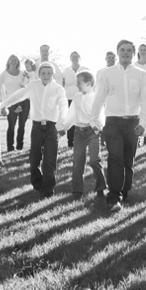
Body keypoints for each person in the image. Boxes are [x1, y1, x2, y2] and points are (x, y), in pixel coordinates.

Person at [92, 40, 146, 212]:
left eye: (128, 50)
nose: (125, 53)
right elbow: (99, 99)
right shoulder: (106, 73)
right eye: (122, 50)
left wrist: (143, 123)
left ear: (133, 53)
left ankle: (124, 191)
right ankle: (114, 197)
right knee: (115, 158)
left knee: (128, 161)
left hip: (133, 122)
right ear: (117, 52)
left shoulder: (142, 75)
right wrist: (95, 121)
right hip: (112, 122)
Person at [2, 63, 68, 199]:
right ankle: (37, 184)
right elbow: (19, 95)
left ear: (53, 75)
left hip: (52, 127)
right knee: (34, 159)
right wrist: (3, 105)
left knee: (49, 160)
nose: (46, 76)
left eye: (49, 73)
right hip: (37, 127)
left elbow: (63, 107)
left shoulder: (58, 89)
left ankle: (48, 189)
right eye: (43, 73)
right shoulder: (33, 85)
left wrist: (61, 125)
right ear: (39, 74)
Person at [57, 70, 106, 201]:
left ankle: (101, 188)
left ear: (88, 83)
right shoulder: (77, 97)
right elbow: (72, 114)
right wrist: (63, 129)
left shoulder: (96, 97)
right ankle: (77, 191)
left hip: (92, 132)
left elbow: (100, 115)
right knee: (78, 163)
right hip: (79, 133)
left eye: (79, 82)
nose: (77, 85)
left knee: (95, 161)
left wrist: (98, 127)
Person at [0, 54, 31, 152]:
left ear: (18, 62)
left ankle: (19, 147)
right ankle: (10, 147)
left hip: (23, 101)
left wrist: (20, 104)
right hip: (11, 102)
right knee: (11, 125)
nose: (13, 61)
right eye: (11, 60)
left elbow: (25, 87)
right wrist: (4, 100)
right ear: (8, 61)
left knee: (22, 125)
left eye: (15, 60)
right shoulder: (4, 74)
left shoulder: (23, 73)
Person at [61, 51, 88, 148]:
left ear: (80, 58)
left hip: (82, 99)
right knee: (70, 120)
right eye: (73, 56)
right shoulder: (66, 71)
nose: (74, 58)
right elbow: (62, 84)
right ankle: (70, 143)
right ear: (70, 58)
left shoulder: (85, 69)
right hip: (69, 98)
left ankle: (83, 141)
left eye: (76, 56)